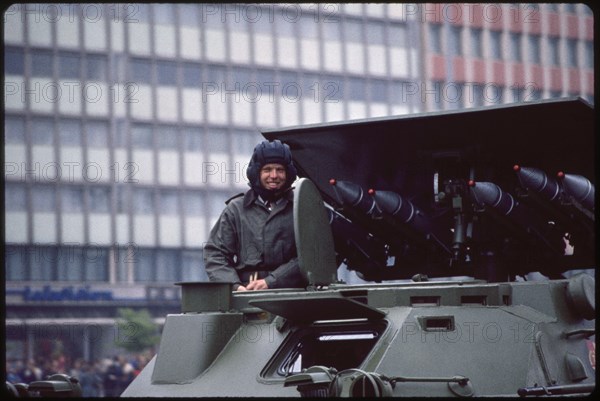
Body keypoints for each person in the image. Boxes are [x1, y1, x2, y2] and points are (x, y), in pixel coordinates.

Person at [204, 139, 307, 291]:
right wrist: (234, 286)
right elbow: (215, 254)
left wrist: (271, 281)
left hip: (292, 293)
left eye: (280, 170)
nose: (274, 175)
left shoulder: (301, 208)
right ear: (257, 173)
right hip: (246, 293)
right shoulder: (236, 209)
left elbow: (311, 256)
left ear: (288, 173)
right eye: (267, 170)